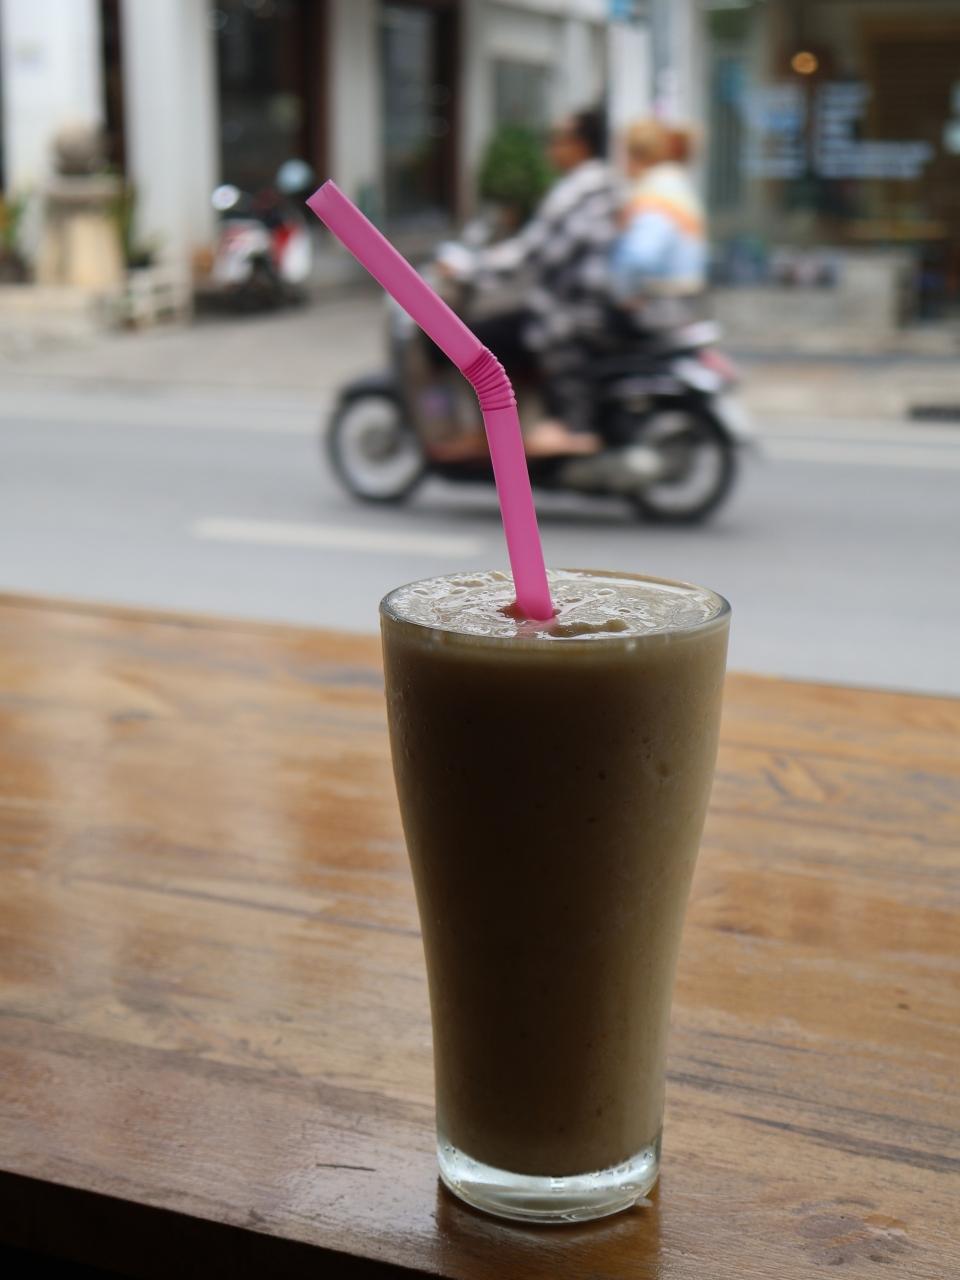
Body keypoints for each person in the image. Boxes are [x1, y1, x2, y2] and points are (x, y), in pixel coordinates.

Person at [441, 107, 620, 455]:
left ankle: (497, 436)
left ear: (580, 145)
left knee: (473, 343)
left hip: (565, 314)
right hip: (581, 306)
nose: (550, 149)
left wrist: (468, 267)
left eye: (557, 140)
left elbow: (530, 254)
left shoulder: (577, 190)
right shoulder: (604, 184)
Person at [610, 119, 708, 320]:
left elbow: (639, 257)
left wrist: (621, 296)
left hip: (661, 309)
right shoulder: (676, 185)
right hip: (687, 305)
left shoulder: (653, 193)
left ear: (633, 155)